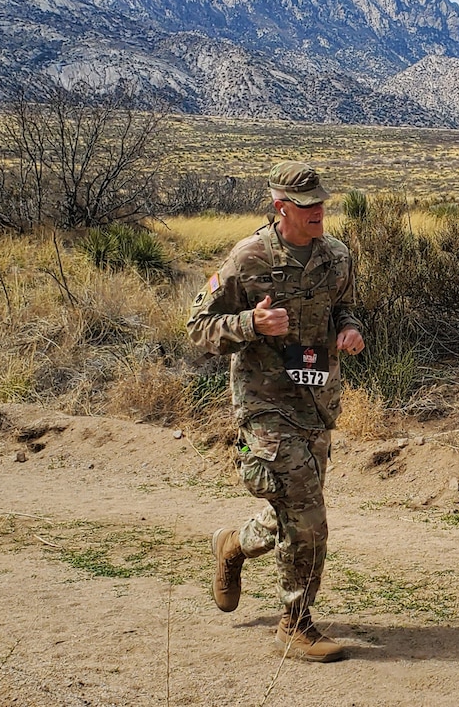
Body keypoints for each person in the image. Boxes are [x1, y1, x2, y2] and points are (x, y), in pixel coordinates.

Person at [186, 160, 365, 663]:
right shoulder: (247, 259)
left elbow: (345, 309)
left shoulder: (337, 256)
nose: (319, 213)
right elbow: (198, 327)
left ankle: (232, 545)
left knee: (287, 512)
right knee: (308, 519)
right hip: (263, 405)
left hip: (316, 404)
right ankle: (295, 623)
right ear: (280, 207)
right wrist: (250, 324)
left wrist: (350, 331)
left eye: (322, 203)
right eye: (307, 206)